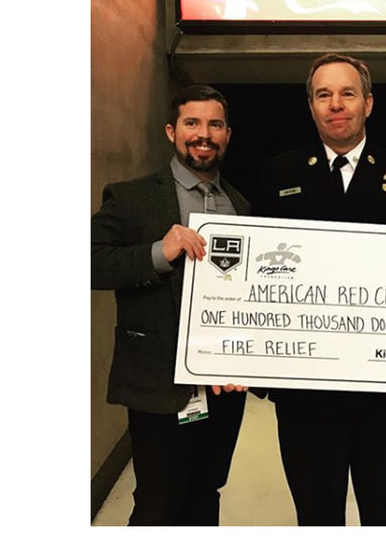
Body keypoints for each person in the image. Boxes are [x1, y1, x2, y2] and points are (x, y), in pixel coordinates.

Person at [252, 53, 386, 525]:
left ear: (369, 104)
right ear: (311, 106)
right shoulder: (278, 175)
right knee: (317, 515)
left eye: (348, 93)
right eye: (323, 94)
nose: (336, 104)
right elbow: (252, 282)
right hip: (306, 392)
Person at [91, 84, 251, 526]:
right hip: (156, 381)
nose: (204, 134)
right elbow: (90, 261)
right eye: (192, 123)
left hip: (221, 390)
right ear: (171, 131)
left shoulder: (241, 207)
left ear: (227, 134)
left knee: (206, 493)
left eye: (214, 124)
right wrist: (158, 252)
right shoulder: (131, 197)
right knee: (158, 501)